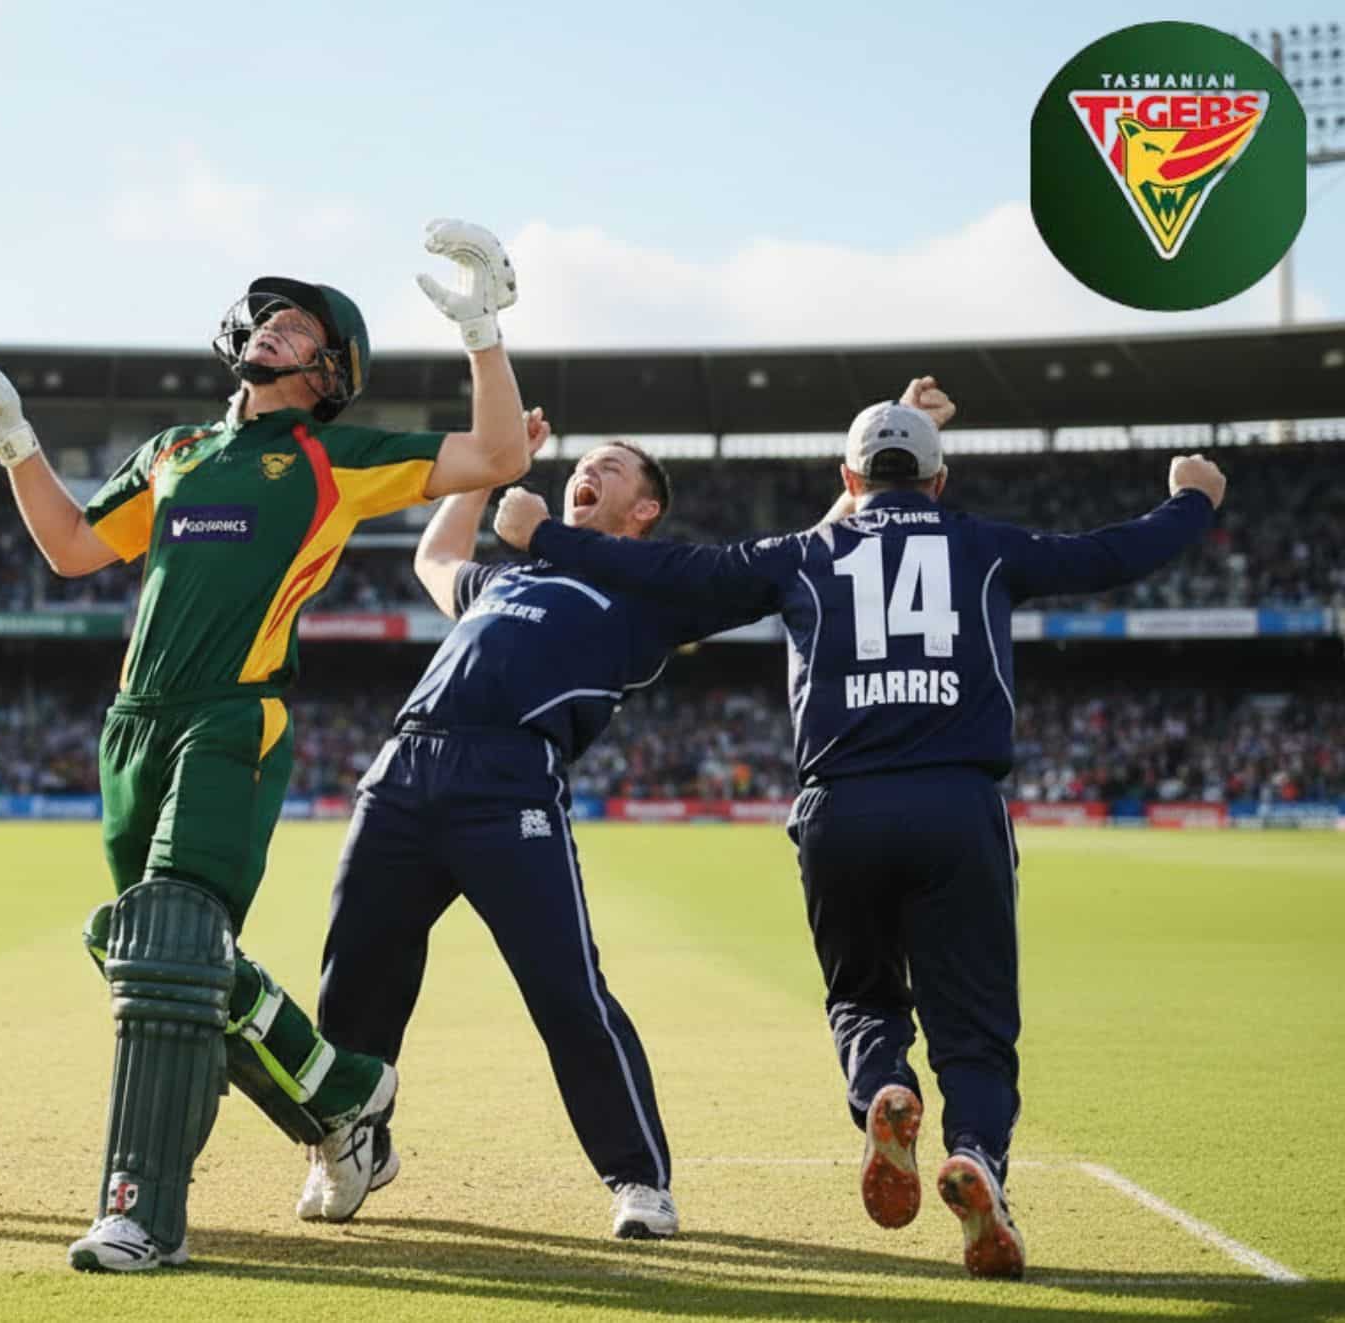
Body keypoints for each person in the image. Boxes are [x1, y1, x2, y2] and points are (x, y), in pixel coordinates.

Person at [492, 393, 1226, 1279]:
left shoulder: (805, 554)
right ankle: (978, 1159)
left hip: (839, 808)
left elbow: (681, 571)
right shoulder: (985, 546)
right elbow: (1113, 554)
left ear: (846, 480)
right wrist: (1191, 495)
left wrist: (543, 535)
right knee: (975, 1027)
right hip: (957, 806)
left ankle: (884, 1088)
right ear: (938, 480)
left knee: (862, 1000)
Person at [0, 220, 534, 1271]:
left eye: (298, 324)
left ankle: (140, 1214)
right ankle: (344, 1096)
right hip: (135, 727)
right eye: (268, 316)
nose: (273, 326)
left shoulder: (333, 455)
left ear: (328, 368)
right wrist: (17, 448)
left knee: (166, 941)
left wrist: (483, 332)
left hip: (233, 714)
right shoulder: (176, 450)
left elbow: (498, 456)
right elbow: (76, 550)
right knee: (147, 954)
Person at [310, 382, 952, 1241]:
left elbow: (805, 550)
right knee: (353, 976)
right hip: (401, 770)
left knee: (566, 992)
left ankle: (639, 1178)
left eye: (607, 468)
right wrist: (485, 473)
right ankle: (356, 1145)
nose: (587, 471)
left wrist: (894, 457)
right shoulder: (507, 578)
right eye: (581, 465)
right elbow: (434, 559)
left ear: (642, 508)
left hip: (510, 783)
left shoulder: (655, 593)